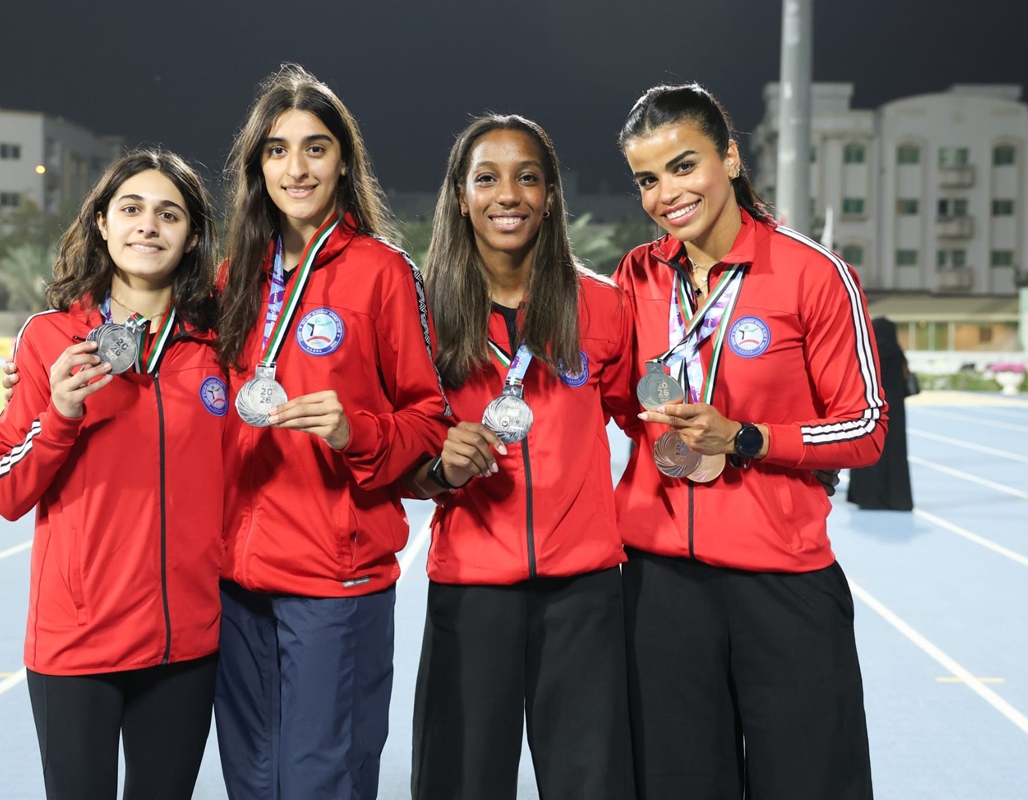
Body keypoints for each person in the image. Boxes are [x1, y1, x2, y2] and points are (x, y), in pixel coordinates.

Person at [611, 84, 887, 799]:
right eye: (647, 178)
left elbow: (865, 426)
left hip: (781, 579)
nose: (668, 193)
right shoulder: (637, 275)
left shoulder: (812, 273)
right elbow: (614, 399)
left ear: (730, 158)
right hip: (661, 584)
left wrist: (747, 437)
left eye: (684, 165)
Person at [213, 65, 452, 800]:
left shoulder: (383, 272)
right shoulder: (231, 278)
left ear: (343, 161)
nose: (297, 167)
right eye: (278, 150)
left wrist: (357, 431)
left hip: (332, 578)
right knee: (253, 782)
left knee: (323, 782)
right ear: (258, 167)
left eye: (315, 148)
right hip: (234, 579)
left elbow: (429, 420)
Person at [404, 114, 635, 800]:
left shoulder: (601, 305)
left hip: (584, 595)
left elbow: (650, 424)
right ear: (460, 195)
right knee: (462, 784)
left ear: (551, 196)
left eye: (527, 177)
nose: (508, 194)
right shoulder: (420, 312)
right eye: (487, 178)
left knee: (593, 785)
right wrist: (438, 470)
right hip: (472, 591)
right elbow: (398, 456)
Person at [0, 150, 228, 800]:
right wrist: (60, 415)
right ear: (101, 222)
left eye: (169, 214)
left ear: (193, 235)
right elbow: (5, 491)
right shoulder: (49, 339)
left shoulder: (222, 347)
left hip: (184, 643)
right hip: (78, 643)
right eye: (131, 209)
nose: (148, 225)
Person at [848, 316, 914, 510]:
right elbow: (904, 383)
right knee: (895, 453)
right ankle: (896, 498)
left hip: (871, 407)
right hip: (895, 412)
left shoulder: (867, 353)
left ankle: (866, 496)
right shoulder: (898, 356)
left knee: (867, 446)